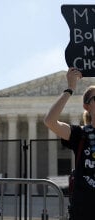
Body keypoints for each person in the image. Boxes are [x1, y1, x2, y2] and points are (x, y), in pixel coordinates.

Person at [44, 67, 95, 220]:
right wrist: (70, 88)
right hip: (83, 209)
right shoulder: (80, 134)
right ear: (87, 106)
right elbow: (50, 121)